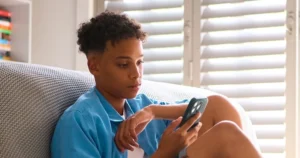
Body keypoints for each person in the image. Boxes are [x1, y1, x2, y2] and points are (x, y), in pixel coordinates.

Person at [51, 11, 262, 158]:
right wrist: (165, 152)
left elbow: (216, 106)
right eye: (124, 64)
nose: (136, 74)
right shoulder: (80, 121)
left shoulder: (139, 106)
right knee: (226, 136)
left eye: (140, 62)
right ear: (94, 66)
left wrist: (152, 111)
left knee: (225, 128)